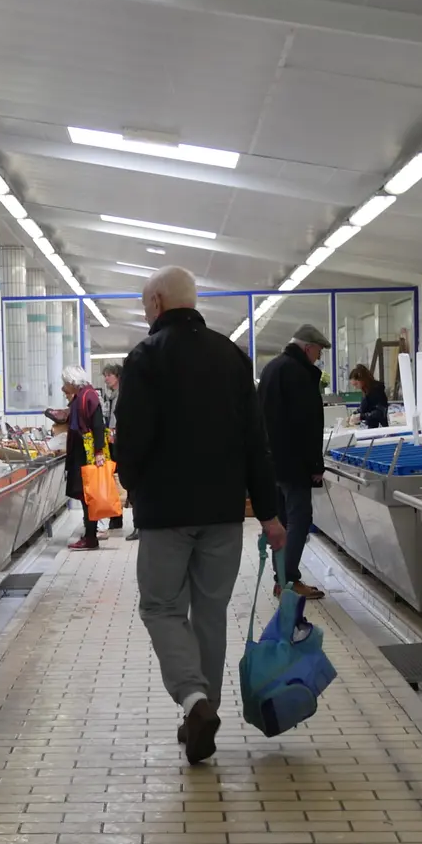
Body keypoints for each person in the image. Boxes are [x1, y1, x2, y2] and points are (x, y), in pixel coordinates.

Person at [115, 267, 286, 765]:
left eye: (147, 304)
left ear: (159, 302)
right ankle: (201, 716)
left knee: (161, 608)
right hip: (222, 513)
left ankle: (194, 701)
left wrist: (133, 484)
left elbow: (133, 436)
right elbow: (258, 442)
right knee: (210, 614)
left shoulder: (145, 358)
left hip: (166, 513)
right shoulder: (233, 356)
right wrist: (270, 513)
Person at [258, 324, 330, 601]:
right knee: (300, 519)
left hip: (272, 460)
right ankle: (288, 580)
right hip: (294, 462)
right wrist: (315, 465)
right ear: (307, 347)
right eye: (318, 351)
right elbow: (307, 424)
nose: (318, 357)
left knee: (284, 520)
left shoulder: (272, 368)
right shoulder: (299, 374)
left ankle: (282, 578)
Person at [57, 366, 109, 551]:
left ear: (72, 382)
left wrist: (99, 452)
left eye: (65, 384)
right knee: (86, 497)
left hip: (86, 456)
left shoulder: (88, 397)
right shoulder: (82, 396)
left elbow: (97, 426)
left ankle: (90, 537)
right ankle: (89, 535)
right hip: (82, 454)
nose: (64, 388)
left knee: (88, 497)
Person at [100, 362, 132, 539]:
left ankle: (131, 518)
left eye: (109, 375)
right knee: (112, 479)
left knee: (123, 479)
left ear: (117, 376)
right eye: (105, 376)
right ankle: (115, 517)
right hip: (110, 441)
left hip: (121, 441)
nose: (106, 379)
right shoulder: (109, 396)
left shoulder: (124, 394)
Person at [349, 363, 389, 429]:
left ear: (362, 380)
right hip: (371, 426)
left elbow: (380, 412)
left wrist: (361, 416)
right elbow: (363, 408)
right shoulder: (366, 391)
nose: (356, 387)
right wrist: (354, 414)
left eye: (356, 384)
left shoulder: (376, 390)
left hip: (379, 427)